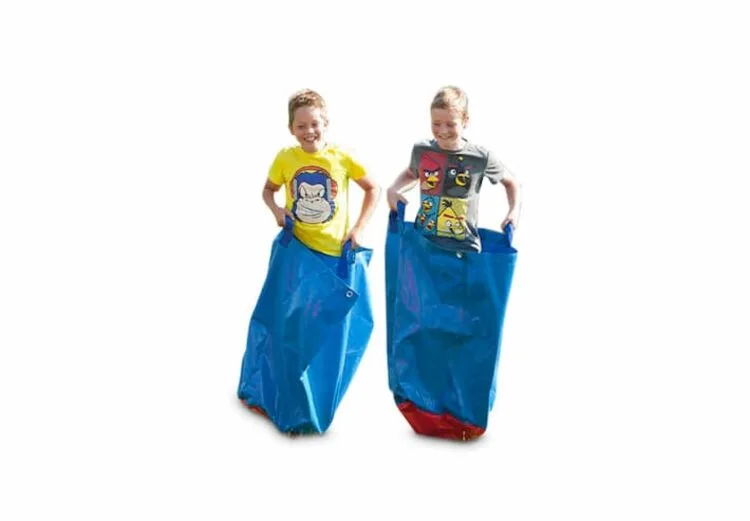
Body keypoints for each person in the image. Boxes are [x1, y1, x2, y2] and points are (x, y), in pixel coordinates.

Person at [386, 86, 520, 252]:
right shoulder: (422, 150)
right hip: (424, 243)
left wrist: (513, 211)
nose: (442, 131)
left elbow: (511, 183)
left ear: (465, 121)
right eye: (436, 123)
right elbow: (411, 174)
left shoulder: (480, 157)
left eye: (450, 124)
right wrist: (394, 189)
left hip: (464, 248)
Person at [263, 89, 380, 258]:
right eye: (301, 126)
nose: (309, 131)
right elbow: (268, 190)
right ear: (291, 129)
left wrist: (359, 228)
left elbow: (373, 188)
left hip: (333, 251)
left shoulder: (342, 156)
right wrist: (276, 210)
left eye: (314, 124)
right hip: (296, 249)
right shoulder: (285, 158)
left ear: (325, 124)